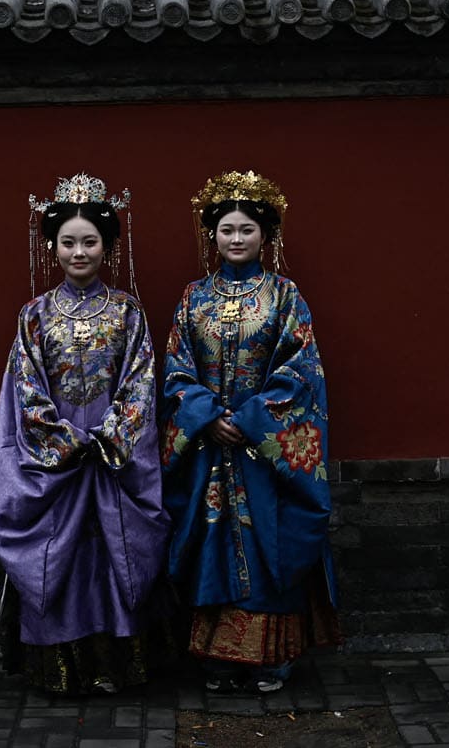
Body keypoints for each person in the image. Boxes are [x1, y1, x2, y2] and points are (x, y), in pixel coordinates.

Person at [0, 173, 170, 694]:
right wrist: (64, 439)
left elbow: (140, 383)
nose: (79, 252)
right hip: (57, 463)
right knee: (60, 557)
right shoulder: (35, 316)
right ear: (53, 247)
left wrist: (110, 435)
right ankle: (61, 670)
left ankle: (116, 666)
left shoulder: (128, 313)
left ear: (107, 246)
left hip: (114, 458)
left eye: (90, 241)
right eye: (68, 242)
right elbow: (24, 387)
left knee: (113, 554)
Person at [160, 170, 339, 694]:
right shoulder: (193, 298)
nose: (236, 239)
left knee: (269, 542)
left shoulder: (285, 297)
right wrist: (204, 416)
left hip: (264, 451)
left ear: (266, 235)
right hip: (206, 447)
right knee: (208, 540)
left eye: (247, 230)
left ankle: (270, 658)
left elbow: (301, 370)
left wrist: (249, 419)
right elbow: (174, 370)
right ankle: (215, 657)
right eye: (226, 230)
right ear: (211, 235)